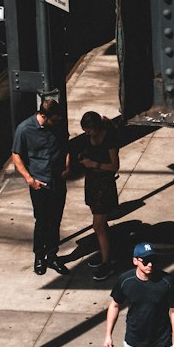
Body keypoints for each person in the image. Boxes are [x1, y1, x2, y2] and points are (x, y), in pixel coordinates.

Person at [12, 97, 69, 275]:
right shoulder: (24, 129)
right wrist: (30, 179)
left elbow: (66, 146)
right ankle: (39, 256)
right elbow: (16, 155)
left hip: (57, 181)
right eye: (53, 119)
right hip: (40, 184)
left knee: (55, 221)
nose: (57, 121)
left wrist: (68, 166)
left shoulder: (57, 125)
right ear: (43, 116)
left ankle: (52, 256)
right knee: (42, 222)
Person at [70, 111, 120, 281]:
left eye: (88, 130)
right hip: (92, 183)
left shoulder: (109, 138)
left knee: (97, 225)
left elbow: (114, 166)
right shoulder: (89, 138)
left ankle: (107, 263)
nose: (87, 133)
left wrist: (94, 164)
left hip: (104, 186)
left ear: (95, 127)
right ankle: (105, 252)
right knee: (101, 224)